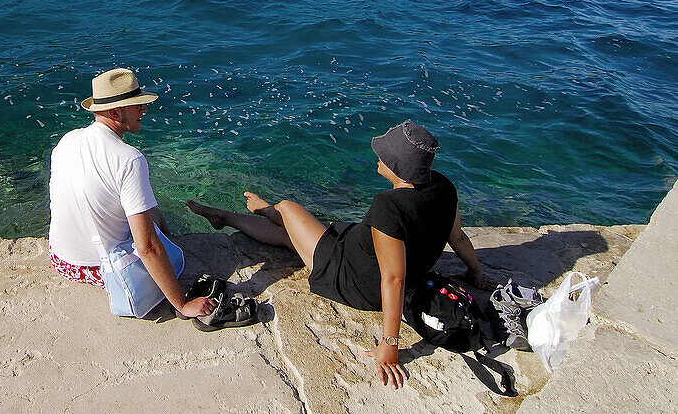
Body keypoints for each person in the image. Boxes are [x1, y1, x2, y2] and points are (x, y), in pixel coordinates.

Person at [187, 119, 493, 389]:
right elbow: (459, 237)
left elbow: (394, 277)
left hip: (351, 278)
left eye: (383, 154)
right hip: (360, 251)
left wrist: (390, 344)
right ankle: (224, 217)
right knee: (292, 234)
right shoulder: (444, 187)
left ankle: (261, 209)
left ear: (397, 167)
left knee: (287, 209)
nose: (377, 155)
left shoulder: (390, 206)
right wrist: (476, 274)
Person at [48, 68, 216, 319]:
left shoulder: (67, 140)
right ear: (115, 112)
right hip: (96, 268)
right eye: (137, 105)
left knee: (142, 209)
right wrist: (182, 304)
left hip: (61, 259)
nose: (144, 110)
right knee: (160, 244)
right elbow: (147, 247)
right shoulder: (129, 159)